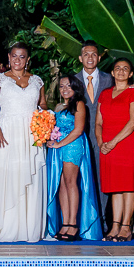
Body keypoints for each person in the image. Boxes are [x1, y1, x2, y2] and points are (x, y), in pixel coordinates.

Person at [0, 43, 47, 242]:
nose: (18, 60)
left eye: (22, 56)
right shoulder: (0, 80)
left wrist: (44, 120)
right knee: (9, 177)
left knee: (31, 176)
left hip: (31, 134)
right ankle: (7, 226)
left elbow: (42, 105)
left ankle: (30, 228)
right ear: (8, 57)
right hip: (7, 134)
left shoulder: (37, 81)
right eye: (14, 56)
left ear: (28, 59)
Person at [46, 74, 101, 241]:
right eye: (62, 86)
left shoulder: (79, 104)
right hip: (58, 148)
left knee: (71, 183)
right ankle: (65, 222)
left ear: (75, 88)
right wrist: (48, 138)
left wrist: (59, 144)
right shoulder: (57, 106)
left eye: (68, 86)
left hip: (72, 146)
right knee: (61, 184)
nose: (64, 89)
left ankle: (73, 224)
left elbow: (78, 130)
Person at [97, 59, 134, 242]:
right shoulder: (105, 94)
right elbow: (98, 122)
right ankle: (114, 226)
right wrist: (102, 142)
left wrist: (113, 142)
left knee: (128, 186)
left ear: (131, 73)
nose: (121, 71)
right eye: (118, 68)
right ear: (112, 72)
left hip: (127, 142)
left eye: (126, 68)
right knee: (115, 187)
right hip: (108, 144)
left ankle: (126, 226)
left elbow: (133, 122)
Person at [77, 41, 112, 214]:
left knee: (101, 179)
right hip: (78, 137)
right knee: (79, 179)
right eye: (86, 54)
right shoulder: (72, 80)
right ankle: (81, 220)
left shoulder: (109, 79)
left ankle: (102, 220)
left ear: (99, 57)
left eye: (93, 55)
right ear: (80, 58)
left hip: (103, 137)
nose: (90, 58)